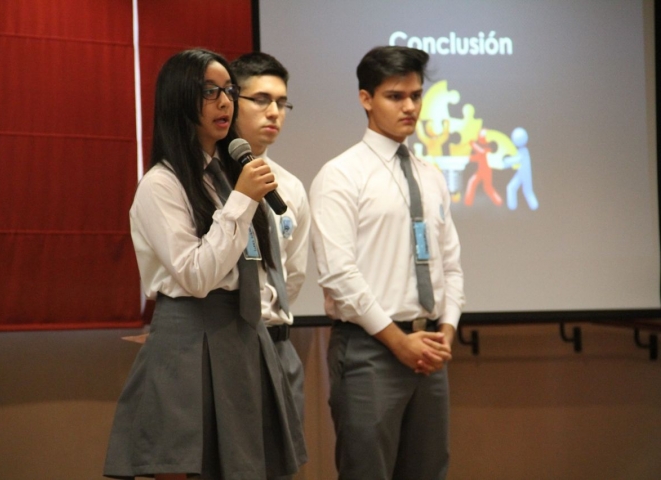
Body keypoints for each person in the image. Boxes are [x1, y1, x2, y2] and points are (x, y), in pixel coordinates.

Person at [104, 49, 306, 480]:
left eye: (229, 91)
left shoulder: (229, 174)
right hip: (190, 342)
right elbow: (195, 275)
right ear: (179, 100)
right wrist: (242, 201)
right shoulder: (162, 184)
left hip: (244, 336)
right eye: (210, 91)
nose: (225, 102)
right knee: (187, 466)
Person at [309, 46, 464, 480]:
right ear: (366, 99)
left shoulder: (430, 175)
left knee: (429, 471)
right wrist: (399, 342)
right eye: (396, 96)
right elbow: (339, 275)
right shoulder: (341, 175)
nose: (410, 106)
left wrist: (446, 332)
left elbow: (450, 266)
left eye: (416, 95)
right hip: (370, 352)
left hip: (429, 350)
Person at [230, 52, 310, 435]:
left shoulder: (290, 187)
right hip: (228, 347)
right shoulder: (205, 179)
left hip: (279, 347)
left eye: (282, 102)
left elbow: (291, 274)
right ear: (230, 101)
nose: (274, 111)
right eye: (261, 99)